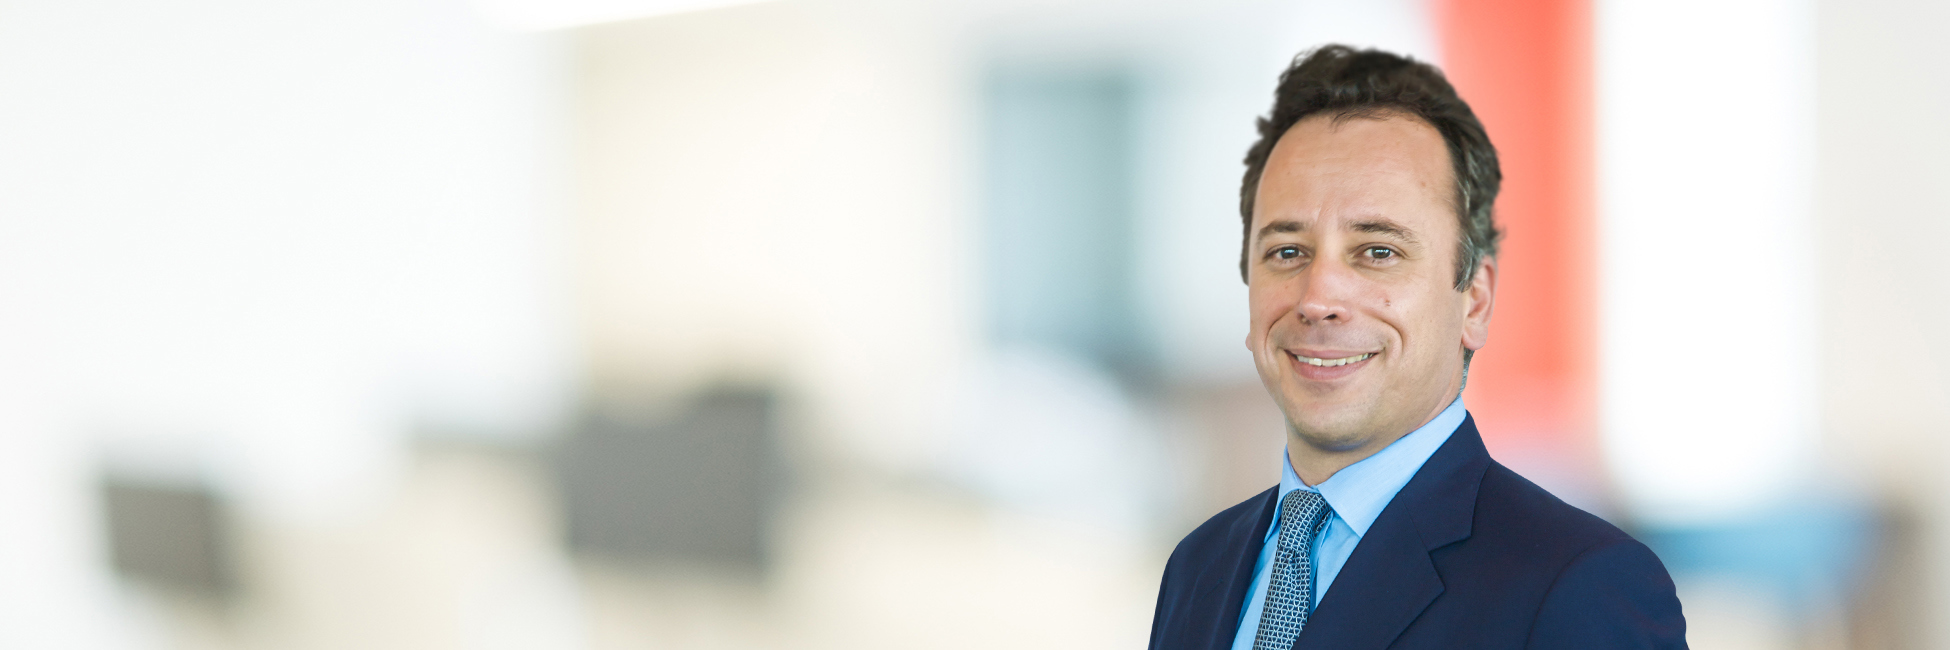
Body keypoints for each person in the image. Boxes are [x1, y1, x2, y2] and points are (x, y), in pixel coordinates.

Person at [1147, 45, 1687, 650]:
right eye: (1287, 252)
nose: (1317, 298)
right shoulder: (1198, 567)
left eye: (1378, 251)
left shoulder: (1581, 585)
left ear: (1474, 302)